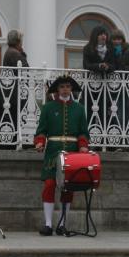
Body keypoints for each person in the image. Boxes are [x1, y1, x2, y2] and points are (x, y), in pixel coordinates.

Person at [34, 75, 90, 236]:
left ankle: (63, 224)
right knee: (49, 185)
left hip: (72, 154)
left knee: (68, 189)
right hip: (53, 152)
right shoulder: (48, 108)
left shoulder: (79, 108)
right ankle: (48, 224)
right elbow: (41, 130)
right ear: (57, 90)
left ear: (71, 89)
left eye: (68, 87)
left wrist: (83, 146)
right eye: (62, 87)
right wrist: (39, 142)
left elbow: (83, 133)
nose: (65, 89)